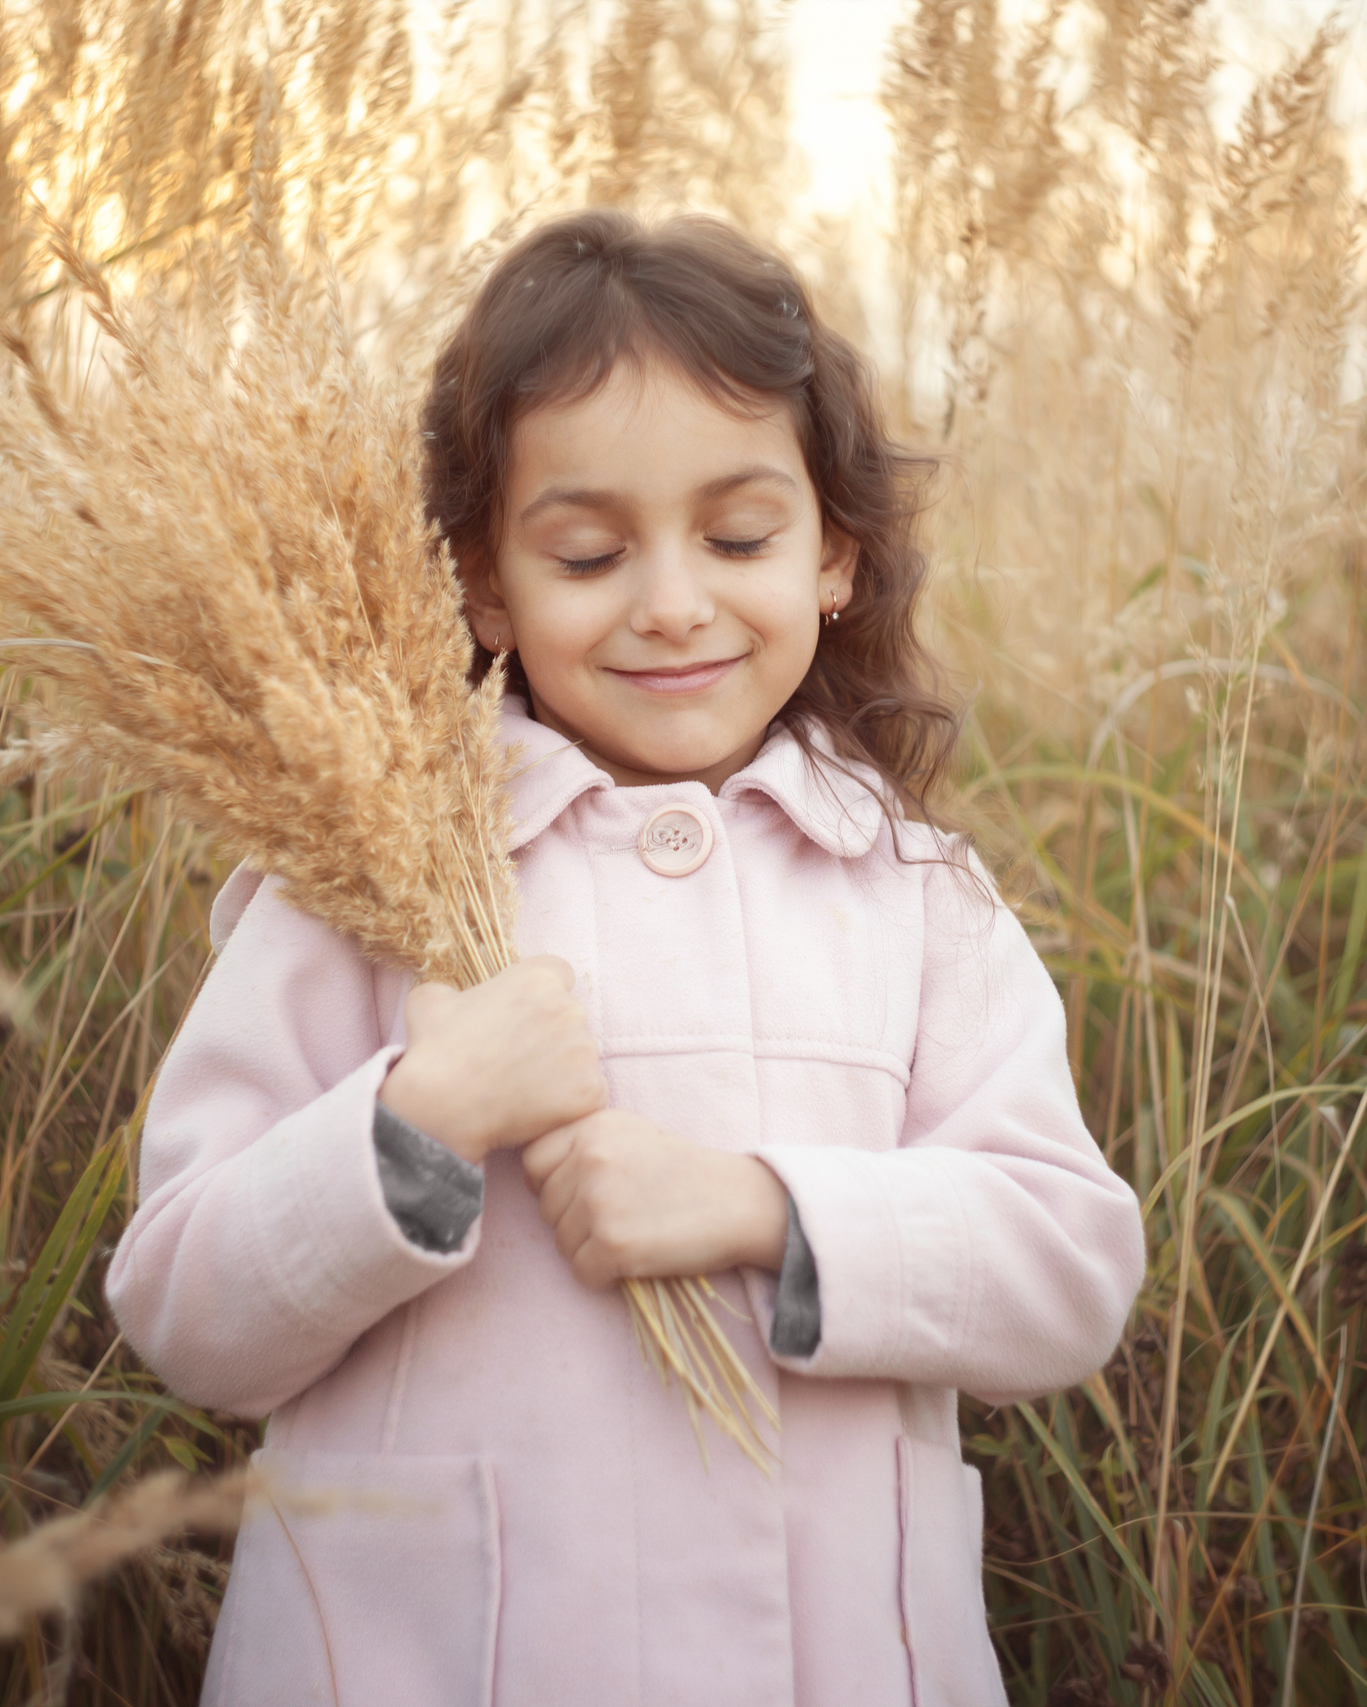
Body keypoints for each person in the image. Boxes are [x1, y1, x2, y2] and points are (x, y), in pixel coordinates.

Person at [105, 209, 1146, 1707]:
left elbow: (1069, 1269)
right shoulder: (368, 885)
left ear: (836, 556)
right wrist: (418, 1121)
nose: (670, 603)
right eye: (588, 553)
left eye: (739, 538)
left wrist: (761, 1208)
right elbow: (189, 1312)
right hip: (435, 1663)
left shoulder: (915, 897)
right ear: (484, 584)